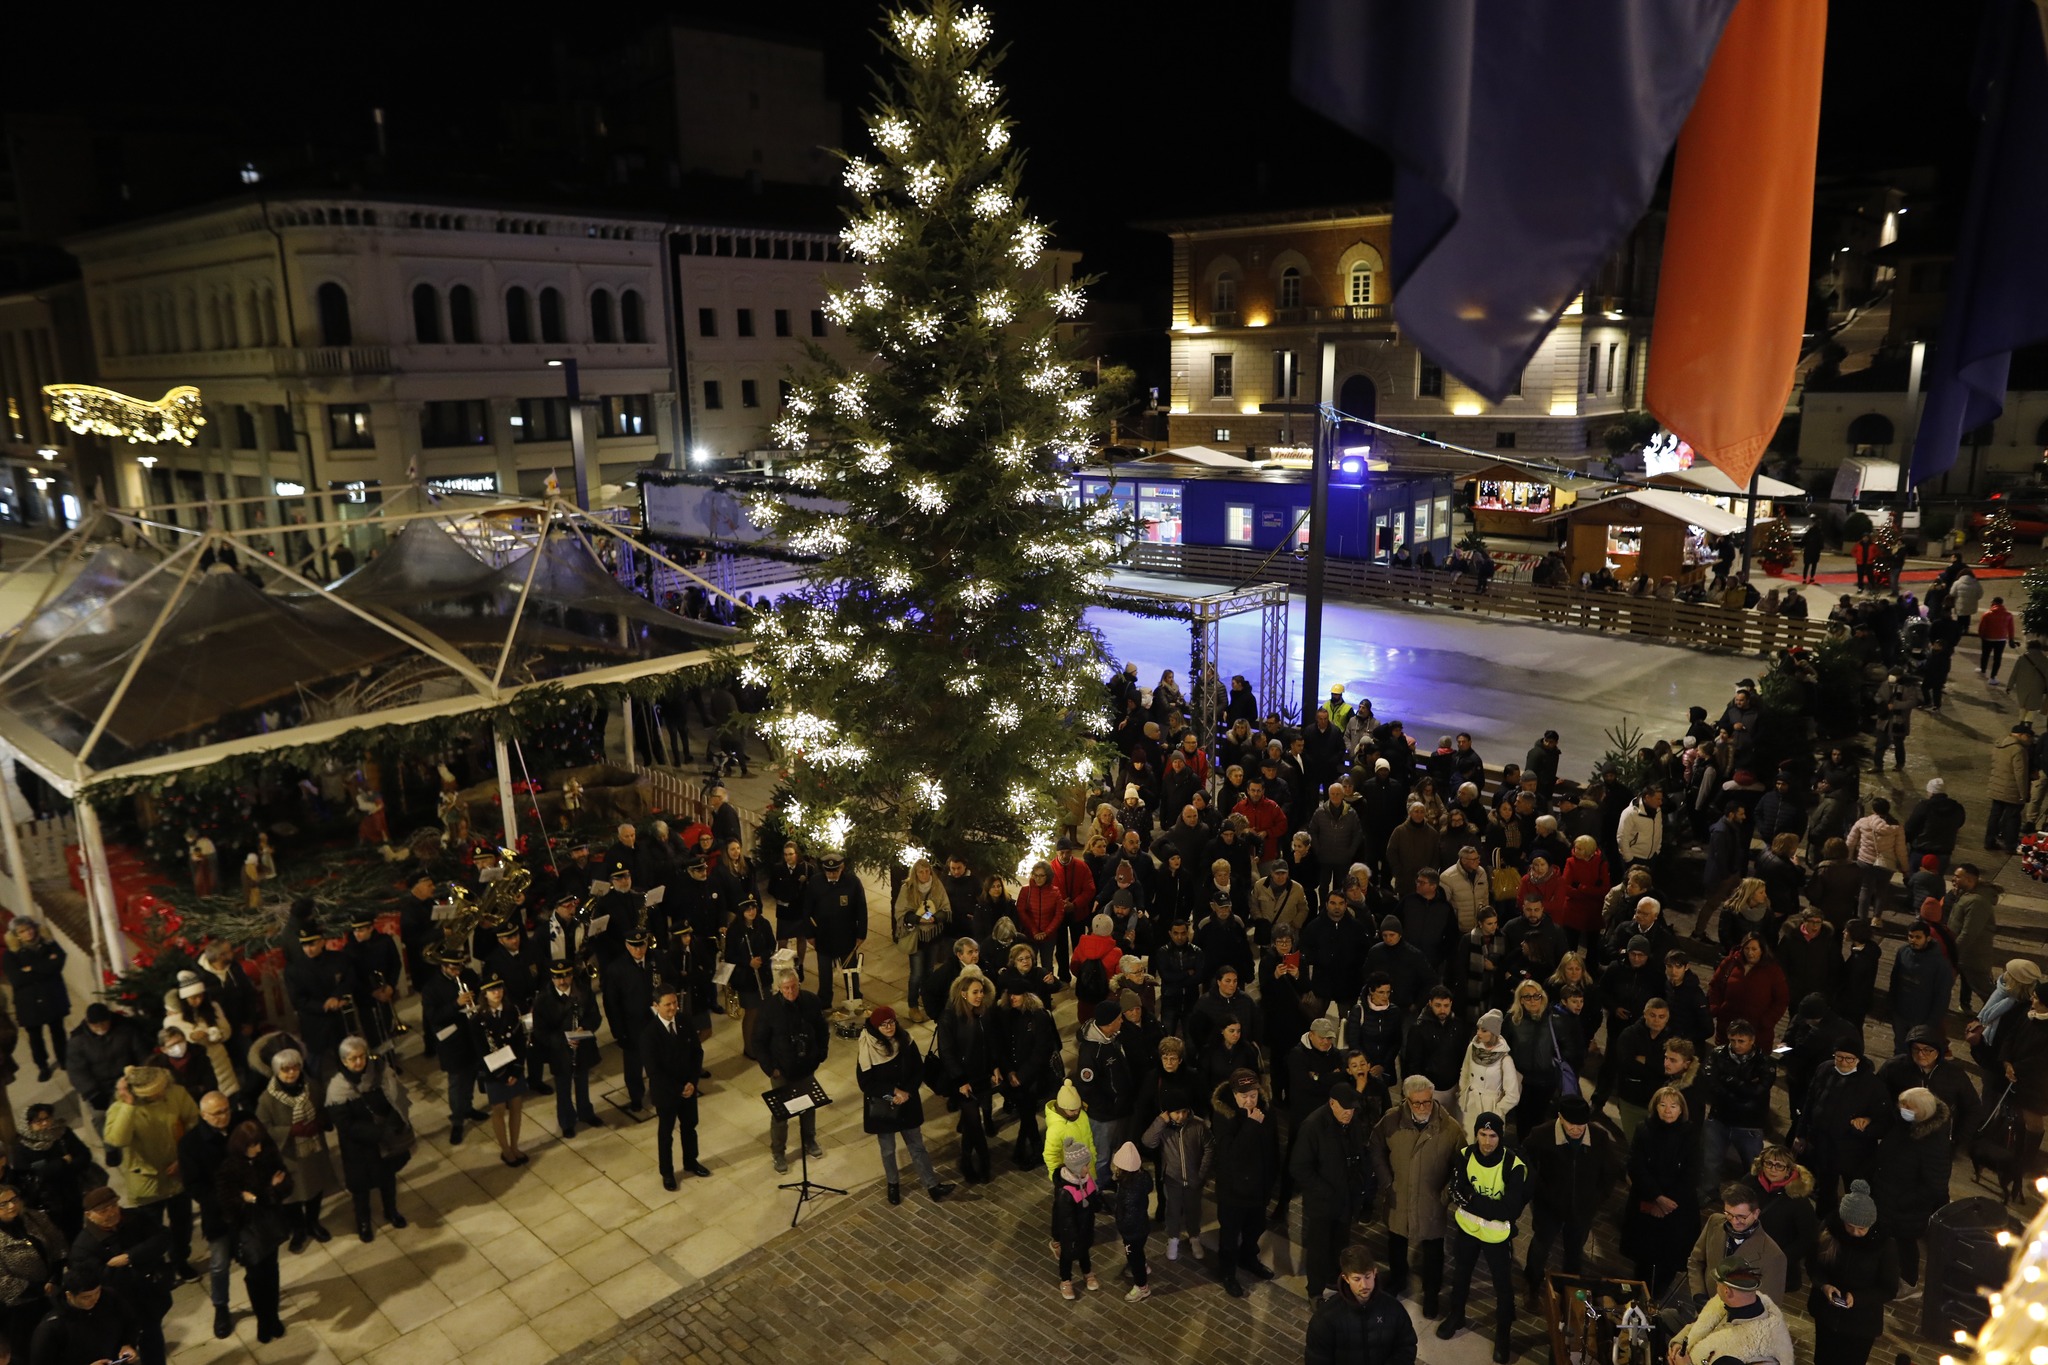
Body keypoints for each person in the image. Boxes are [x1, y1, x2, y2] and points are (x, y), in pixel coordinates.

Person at [1434, 1111, 1528, 1364]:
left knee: (1503, 1288)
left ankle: (1504, 1334)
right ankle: (1457, 1315)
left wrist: (1473, 1199)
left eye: (1493, 1135)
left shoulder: (1513, 1165)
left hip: (1497, 1238)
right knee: (1461, 1275)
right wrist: (1487, 1206)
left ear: (1501, 1136)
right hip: (1467, 1230)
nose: (1487, 1141)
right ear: (1475, 1134)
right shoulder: (1464, 1156)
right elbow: (1455, 1192)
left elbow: (1510, 1210)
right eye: (1482, 1135)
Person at [1372, 1076, 1463, 1316]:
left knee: (1433, 1251)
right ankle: (1398, 1279)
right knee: (1397, 1242)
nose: (1423, 1108)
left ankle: (1431, 1293)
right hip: (1399, 1195)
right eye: (1417, 1103)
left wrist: (1445, 1195)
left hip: (1431, 1201)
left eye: (1428, 1102)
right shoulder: (1391, 1121)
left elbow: (1461, 1166)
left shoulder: (1450, 1127)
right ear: (1406, 1101)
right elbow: (1376, 1147)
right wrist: (1386, 1182)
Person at [102, 1065, 196, 1278]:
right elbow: (116, 1139)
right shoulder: (121, 1108)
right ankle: (159, 1268)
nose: (162, 1092)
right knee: (150, 1231)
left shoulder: (176, 1094)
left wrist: (182, 1158)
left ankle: (181, 1260)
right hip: (146, 1181)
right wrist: (128, 1105)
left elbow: (193, 1121)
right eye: (157, 1090)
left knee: (183, 1225)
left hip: (177, 1175)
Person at [852, 1005, 952, 1205]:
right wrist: (893, 1092)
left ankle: (931, 1185)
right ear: (875, 1027)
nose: (889, 1028)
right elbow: (866, 1083)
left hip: (907, 1102)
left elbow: (918, 1069)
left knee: (917, 1146)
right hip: (884, 1107)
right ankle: (893, 1184)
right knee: (888, 1149)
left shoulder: (905, 1039)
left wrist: (906, 1092)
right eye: (884, 1025)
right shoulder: (867, 1048)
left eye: (891, 1023)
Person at [1521, 1093, 1620, 1290]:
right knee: (1541, 1247)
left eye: (1581, 1125)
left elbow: (1610, 1171)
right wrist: (1539, 1190)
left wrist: (1597, 1198)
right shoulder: (1541, 1134)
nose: (1576, 1130)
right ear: (1560, 1117)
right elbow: (1526, 1162)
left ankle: (1569, 1288)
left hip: (1582, 1209)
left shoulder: (1599, 1138)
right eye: (1570, 1124)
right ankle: (1532, 1285)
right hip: (1549, 1207)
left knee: (1574, 1252)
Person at [1291, 1081, 1374, 1300]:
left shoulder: (1352, 1120)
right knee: (1318, 1249)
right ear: (1331, 1104)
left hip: (1346, 1199)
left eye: (1352, 1109)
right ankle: (1315, 1292)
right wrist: (1326, 1191)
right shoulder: (1313, 1126)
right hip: (1323, 1203)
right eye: (1345, 1109)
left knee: (1340, 1245)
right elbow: (1299, 1167)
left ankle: (1335, 1278)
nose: (1349, 1113)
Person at [211, 1122, 292, 1344]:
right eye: (254, 1145)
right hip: (248, 1233)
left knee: (272, 1273)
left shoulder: (268, 1158)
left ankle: (273, 1317)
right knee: (256, 1278)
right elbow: (230, 1205)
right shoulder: (229, 1170)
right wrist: (267, 1192)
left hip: (269, 1227)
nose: (258, 1149)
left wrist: (255, 1197)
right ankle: (263, 1320)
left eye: (259, 1144)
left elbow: (286, 1186)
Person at [324, 1036, 409, 1243]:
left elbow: (396, 1099)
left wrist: (390, 1125)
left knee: (388, 1180)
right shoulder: (337, 1088)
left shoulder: (380, 1073)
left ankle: (391, 1211)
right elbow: (344, 1124)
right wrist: (378, 1132)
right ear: (344, 1061)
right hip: (358, 1147)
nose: (358, 1062)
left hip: (385, 1141)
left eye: (361, 1056)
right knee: (360, 1188)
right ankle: (363, 1223)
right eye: (352, 1059)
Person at [1807, 1180, 1899, 1365]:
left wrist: (1857, 1298)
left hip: (1860, 1324)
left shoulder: (1884, 1245)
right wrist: (1824, 1285)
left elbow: (1889, 1288)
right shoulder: (1829, 1231)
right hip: (1827, 1315)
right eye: (1850, 1226)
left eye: (1861, 1228)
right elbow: (1812, 1264)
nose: (1855, 1233)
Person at [252, 1050, 335, 1253]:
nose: (291, 1073)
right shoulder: (267, 1099)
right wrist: (290, 1131)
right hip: (288, 1155)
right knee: (291, 1195)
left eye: (295, 1067)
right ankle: (299, 1230)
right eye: (285, 1069)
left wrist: (321, 1122)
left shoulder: (312, 1086)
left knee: (315, 1187)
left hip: (313, 1149)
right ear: (276, 1072)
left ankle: (313, 1222)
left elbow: (324, 1107)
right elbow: (262, 1127)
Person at [1622, 1085, 1701, 1296]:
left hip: (1677, 1206)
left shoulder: (1690, 1133)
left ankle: (1656, 1297)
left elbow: (1692, 1172)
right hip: (1648, 1200)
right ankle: (1638, 1291)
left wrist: (1667, 1202)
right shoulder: (1643, 1129)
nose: (1668, 1110)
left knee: (1669, 1256)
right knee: (1643, 1255)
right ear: (1655, 1107)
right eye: (1663, 1105)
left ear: (1681, 1109)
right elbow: (1635, 1165)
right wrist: (1656, 1197)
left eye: (1673, 1106)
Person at [1210, 1067, 1278, 1298]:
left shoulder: (1266, 1111)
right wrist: (1250, 1126)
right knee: (1229, 1235)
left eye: (1253, 1095)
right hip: (1233, 1191)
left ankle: (1249, 1258)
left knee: (1255, 1229)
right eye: (1244, 1097)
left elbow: (1272, 1150)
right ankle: (1227, 1272)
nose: (1250, 1101)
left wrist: (1269, 1184)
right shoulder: (1224, 1115)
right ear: (1234, 1094)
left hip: (1257, 1189)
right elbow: (1230, 1156)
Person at [1873, 1086, 1949, 1290]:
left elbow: (1936, 1185)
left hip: (1906, 1208)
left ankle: (1909, 1283)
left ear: (1922, 1112)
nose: (1902, 1108)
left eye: (1908, 1106)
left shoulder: (1932, 1142)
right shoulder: (1904, 1125)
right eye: (1902, 1103)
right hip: (1887, 1196)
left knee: (1905, 1243)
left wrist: (1903, 1201)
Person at [759, 971, 829, 1175]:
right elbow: (759, 1042)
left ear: (798, 984)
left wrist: (821, 1053)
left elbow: (821, 1028)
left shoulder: (811, 1001)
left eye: (793, 987)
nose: (790, 991)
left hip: (806, 1066)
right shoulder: (769, 1009)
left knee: (809, 1106)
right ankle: (778, 1152)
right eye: (786, 988)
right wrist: (770, 1068)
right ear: (779, 989)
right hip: (782, 1071)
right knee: (781, 1114)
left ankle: (809, 1140)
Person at [642, 987, 711, 1190]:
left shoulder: (684, 1022)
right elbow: (654, 1071)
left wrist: (692, 1082)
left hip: (688, 1088)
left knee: (690, 1127)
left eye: (675, 1003)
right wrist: (679, 1088)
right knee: (666, 1134)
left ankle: (691, 1161)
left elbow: (697, 1053)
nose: (673, 1008)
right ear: (656, 1007)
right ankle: (667, 1173)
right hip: (667, 1093)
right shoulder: (649, 1034)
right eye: (668, 1004)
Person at [1669, 1257, 1794, 1365]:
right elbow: (1699, 1325)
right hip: (1687, 1356)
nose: (1716, 1288)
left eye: (1718, 1284)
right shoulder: (1724, 1304)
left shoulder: (1763, 1349)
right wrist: (1680, 1343)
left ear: (1727, 1292)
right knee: (1668, 1316)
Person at [1306, 1245, 1419, 1364]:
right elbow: (1316, 1360)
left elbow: (1406, 1347)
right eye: (1357, 1279)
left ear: (1375, 1273)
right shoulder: (1325, 1318)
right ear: (1346, 1278)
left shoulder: (1393, 1309)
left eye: (1367, 1277)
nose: (1364, 1285)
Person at [1686, 1181, 1788, 1305]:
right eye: (1729, 1214)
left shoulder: (1774, 1255)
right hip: (1703, 1310)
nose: (1734, 1222)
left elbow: (1770, 1304)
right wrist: (1698, 1295)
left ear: (1756, 1213)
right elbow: (1695, 1262)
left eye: (1741, 1216)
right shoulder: (1714, 1222)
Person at [467, 975, 531, 1167]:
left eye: (499, 989)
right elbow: (480, 1051)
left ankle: (515, 1145)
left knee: (517, 1106)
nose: (497, 993)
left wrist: (516, 1070)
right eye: (492, 990)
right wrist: (502, 1075)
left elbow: (520, 1042)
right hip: (494, 1071)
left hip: (513, 1067)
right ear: (484, 994)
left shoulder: (513, 1011)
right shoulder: (478, 1019)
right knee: (498, 1109)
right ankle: (505, 1149)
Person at [26, 1263, 139, 1365]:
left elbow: (130, 1321)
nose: (95, 1299)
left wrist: (127, 1344)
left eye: (97, 1292)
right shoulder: (51, 1327)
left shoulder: (110, 1298)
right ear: (69, 1295)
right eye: (86, 1297)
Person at [0, 1182, 63, 1357]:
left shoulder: (34, 1218)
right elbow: (2, 1281)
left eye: (13, 1199)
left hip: (53, 1290)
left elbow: (58, 1245)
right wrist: (39, 1288)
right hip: (21, 1307)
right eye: (3, 1204)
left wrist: (55, 1277)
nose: (12, 1205)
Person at [3, 920, 67, 1083]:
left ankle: (64, 1059)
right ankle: (42, 1066)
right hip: (29, 1002)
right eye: (23, 931)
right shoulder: (11, 954)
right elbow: (17, 979)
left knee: (58, 1031)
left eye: (30, 929)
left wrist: (31, 969)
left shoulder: (49, 944)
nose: (28, 933)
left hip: (52, 996)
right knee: (35, 1037)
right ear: (16, 935)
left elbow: (58, 963)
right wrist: (46, 966)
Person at [801, 853, 868, 1011]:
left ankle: (855, 999)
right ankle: (824, 1002)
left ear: (841, 868)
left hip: (847, 935)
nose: (831, 875)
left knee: (850, 971)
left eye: (835, 871)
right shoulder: (816, 883)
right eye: (828, 871)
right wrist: (809, 934)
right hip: (824, 936)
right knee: (824, 973)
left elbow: (861, 909)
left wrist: (861, 934)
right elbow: (806, 911)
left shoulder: (852, 882)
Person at [1456, 1010, 1520, 1141]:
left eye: (1484, 1030)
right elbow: (1465, 1072)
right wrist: (1464, 1093)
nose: (1478, 1033)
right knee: (1469, 1142)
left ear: (1493, 1033)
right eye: (1478, 1029)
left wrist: (1497, 1111)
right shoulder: (1472, 1048)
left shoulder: (1504, 1059)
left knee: (1488, 1144)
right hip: (1471, 1105)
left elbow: (1513, 1094)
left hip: (1491, 1107)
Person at [1051, 1138, 1100, 1300]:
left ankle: (1087, 1273)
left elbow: (1093, 1200)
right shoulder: (1066, 1192)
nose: (1088, 1168)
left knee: (1084, 1251)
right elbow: (1064, 1218)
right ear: (1076, 1167)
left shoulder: (1086, 1180)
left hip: (1085, 1226)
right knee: (1068, 1256)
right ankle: (1066, 1280)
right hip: (1070, 1232)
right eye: (1085, 1165)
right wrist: (1068, 1236)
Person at [1107, 1142, 1153, 1302]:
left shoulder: (1128, 1190)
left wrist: (1121, 1226)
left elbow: (1128, 1217)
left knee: (1134, 1256)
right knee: (1138, 1251)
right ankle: (1143, 1266)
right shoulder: (1142, 1178)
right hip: (1143, 1226)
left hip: (1132, 1232)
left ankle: (1142, 1287)